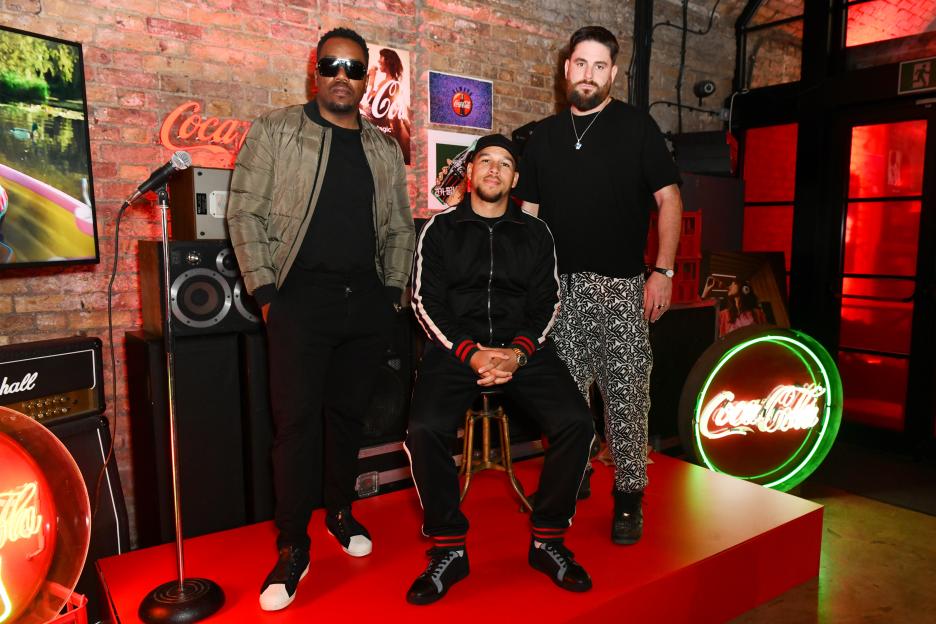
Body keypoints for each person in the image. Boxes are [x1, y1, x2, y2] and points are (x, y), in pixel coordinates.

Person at [226, 27, 415, 611]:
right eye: (331, 65)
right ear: (316, 71)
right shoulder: (278, 128)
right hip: (297, 300)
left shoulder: (384, 149)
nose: (342, 76)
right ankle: (291, 545)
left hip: (366, 303)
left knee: (349, 419)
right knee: (296, 427)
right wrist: (265, 293)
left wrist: (390, 294)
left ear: (366, 80)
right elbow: (243, 212)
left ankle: (339, 512)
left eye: (354, 68)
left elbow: (400, 228)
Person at [405, 134, 595, 605]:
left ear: (514, 178)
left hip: (521, 350)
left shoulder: (535, 232)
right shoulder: (441, 228)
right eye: (485, 161)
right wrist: (470, 354)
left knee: (578, 423)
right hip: (456, 350)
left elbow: (548, 302)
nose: (493, 169)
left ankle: (548, 541)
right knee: (423, 429)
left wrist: (517, 354)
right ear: (470, 173)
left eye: (504, 163)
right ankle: (449, 548)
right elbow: (424, 301)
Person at [515, 26, 683, 546]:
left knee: (628, 401)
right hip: (559, 290)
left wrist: (664, 270)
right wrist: (528, 286)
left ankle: (629, 498)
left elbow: (669, 200)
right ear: (567, 69)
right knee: (563, 399)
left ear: (612, 73)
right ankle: (575, 472)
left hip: (621, 288)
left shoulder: (636, 127)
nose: (587, 74)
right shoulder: (542, 135)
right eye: (580, 64)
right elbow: (531, 215)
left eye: (599, 66)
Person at [702, 277, 767, 336]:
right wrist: (706, 291)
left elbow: (765, 333)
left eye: (734, 284)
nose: (730, 286)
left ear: (745, 289)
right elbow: (705, 316)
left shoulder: (757, 313)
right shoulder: (724, 315)